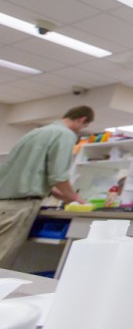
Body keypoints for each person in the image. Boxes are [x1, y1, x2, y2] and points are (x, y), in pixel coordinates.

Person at [0, 105, 94, 269]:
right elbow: (58, 176)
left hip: (5, 200)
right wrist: (76, 199)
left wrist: (52, 190)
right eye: (85, 127)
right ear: (82, 120)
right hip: (20, 206)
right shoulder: (65, 135)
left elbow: (27, 169)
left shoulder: (37, 132)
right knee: (2, 256)